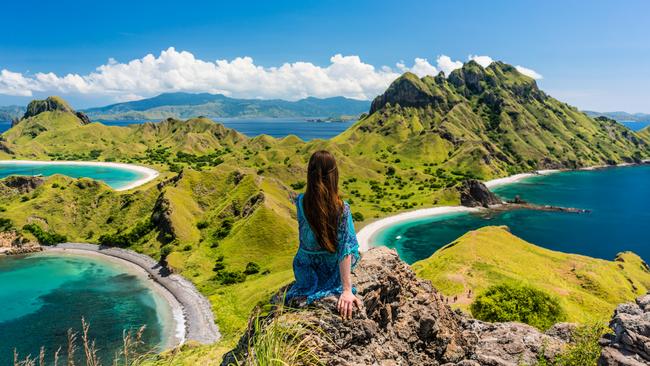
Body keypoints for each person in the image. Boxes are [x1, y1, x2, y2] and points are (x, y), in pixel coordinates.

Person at [286, 150, 362, 320]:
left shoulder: (300, 201)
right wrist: (347, 290)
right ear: (334, 175)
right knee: (351, 246)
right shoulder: (342, 209)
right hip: (329, 269)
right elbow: (345, 249)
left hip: (304, 268)